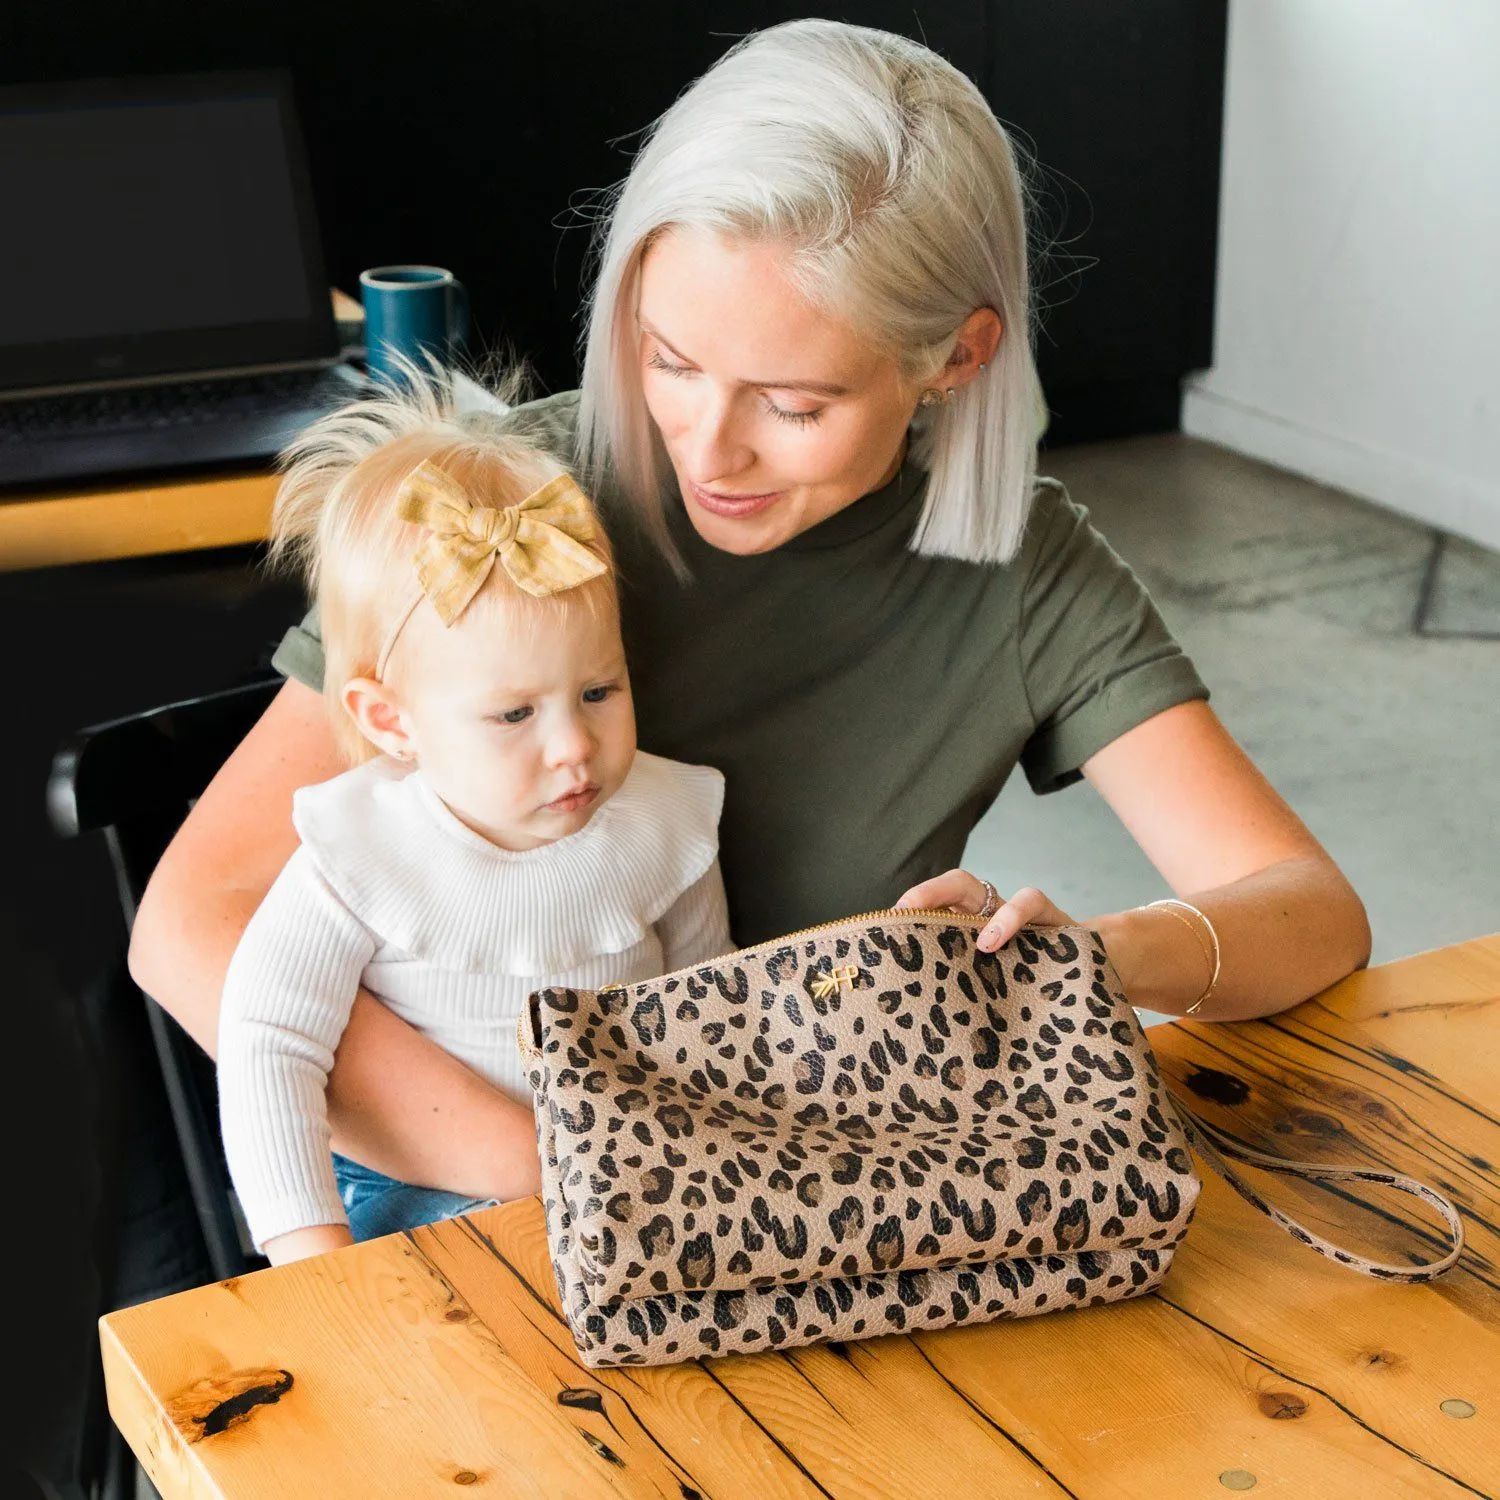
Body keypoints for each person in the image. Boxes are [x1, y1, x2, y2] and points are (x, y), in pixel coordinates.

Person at [130, 20, 1370, 1212]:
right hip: (517, 1197)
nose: (706, 450)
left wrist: (1093, 953)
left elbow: (1311, 913)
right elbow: (195, 925)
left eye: (792, 400)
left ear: (956, 355)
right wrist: (569, 1172)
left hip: (782, 1189)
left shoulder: (1022, 570)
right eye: (670, 361)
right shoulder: (518, 501)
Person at [215, 375, 730, 1262]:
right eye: (514, 715)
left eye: (599, 690)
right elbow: (267, 1042)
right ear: (391, 721)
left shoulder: (664, 821)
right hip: (407, 1192)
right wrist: (311, 1256)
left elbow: (711, 1021)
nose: (575, 746)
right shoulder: (360, 852)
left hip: (624, 1188)